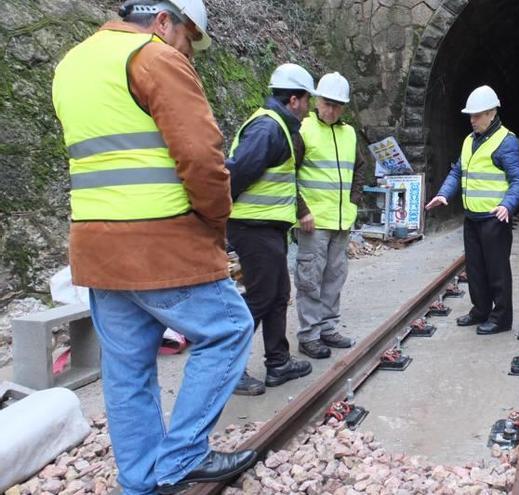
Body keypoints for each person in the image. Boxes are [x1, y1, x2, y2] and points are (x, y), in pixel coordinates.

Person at [51, 1, 256, 493]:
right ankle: (182, 456)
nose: (187, 52)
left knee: (127, 369)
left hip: (97, 250)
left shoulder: (71, 63)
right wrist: (215, 221)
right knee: (230, 330)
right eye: (188, 40)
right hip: (162, 245)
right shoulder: (153, 57)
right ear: (164, 21)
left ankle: (141, 481)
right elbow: (202, 158)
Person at [225, 64, 316, 395]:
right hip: (253, 227)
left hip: (269, 227)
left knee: (278, 295)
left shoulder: (279, 128)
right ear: (294, 100)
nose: (309, 109)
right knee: (260, 298)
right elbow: (234, 175)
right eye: (307, 101)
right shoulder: (268, 129)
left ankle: (278, 363)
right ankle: (227, 371)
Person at [425, 85, 519, 335]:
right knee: (475, 268)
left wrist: (507, 205)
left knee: (497, 270)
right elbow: (458, 171)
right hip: (472, 218)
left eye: (477, 115)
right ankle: (480, 310)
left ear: (492, 113)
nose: (472, 120)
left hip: (494, 218)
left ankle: (501, 318)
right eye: (470, 115)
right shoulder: (469, 141)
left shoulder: (506, 142)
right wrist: (443, 194)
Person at [294, 72, 368, 359]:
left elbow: (360, 167)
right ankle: (309, 335)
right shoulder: (304, 130)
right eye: (327, 103)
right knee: (310, 279)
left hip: (341, 220)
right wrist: (301, 210)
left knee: (335, 276)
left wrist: (353, 200)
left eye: (338, 105)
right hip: (313, 222)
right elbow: (288, 173)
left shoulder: (348, 133)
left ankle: (328, 327)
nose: (332, 110)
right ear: (316, 100)